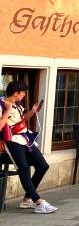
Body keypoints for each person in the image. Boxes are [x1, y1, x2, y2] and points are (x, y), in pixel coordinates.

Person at [0, 80, 57, 213]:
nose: (24, 95)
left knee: (42, 166)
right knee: (24, 170)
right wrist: (7, 110)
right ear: (15, 93)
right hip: (12, 142)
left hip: (25, 140)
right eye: (22, 93)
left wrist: (32, 111)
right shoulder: (2, 105)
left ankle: (26, 199)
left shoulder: (18, 105)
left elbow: (21, 119)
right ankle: (39, 202)